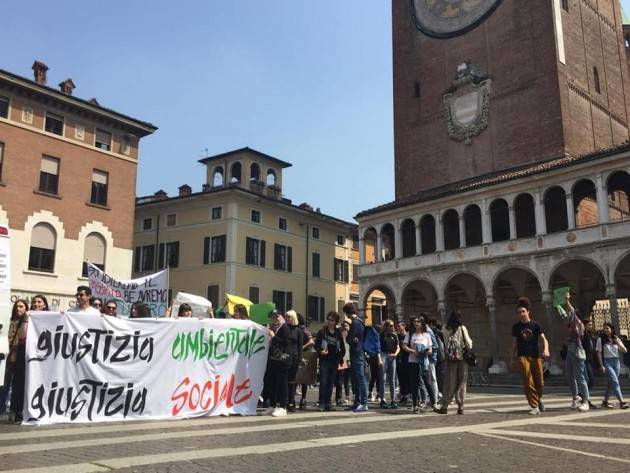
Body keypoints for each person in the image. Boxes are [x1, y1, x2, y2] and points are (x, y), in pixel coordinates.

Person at [510, 297, 550, 415]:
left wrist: (546, 349)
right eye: (519, 312)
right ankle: (534, 406)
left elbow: (544, 339)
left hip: (536, 356)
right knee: (528, 381)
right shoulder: (516, 327)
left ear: (528, 312)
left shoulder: (536, 325)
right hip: (522, 356)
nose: (521, 314)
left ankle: (538, 399)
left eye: (523, 311)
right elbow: (513, 343)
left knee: (540, 382)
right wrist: (512, 358)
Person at [556, 291, 590, 412]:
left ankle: (586, 401)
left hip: (577, 352)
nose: (569, 315)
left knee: (580, 377)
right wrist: (557, 304)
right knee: (569, 375)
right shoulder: (570, 323)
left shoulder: (578, 324)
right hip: (570, 352)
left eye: (571, 314)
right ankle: (576, 398)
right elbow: (564, 315)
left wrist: (567, 301)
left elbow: (572, 313)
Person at [437, 311, 473, 415]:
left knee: (449, 382)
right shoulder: (462, 328)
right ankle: (460, 406)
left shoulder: (445, 328)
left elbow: (443, 341)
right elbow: (469, 343)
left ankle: (445, 406)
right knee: (462, 382)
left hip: (450, 359)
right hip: (462, 359)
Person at [315, 311, 345, 411]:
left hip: (334, 361)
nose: (329, 322)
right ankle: (321, 403)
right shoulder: (322, 332)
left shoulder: (338, 333)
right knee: (323, 381)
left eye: (331, 320)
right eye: (328, 319)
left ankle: (328, 403)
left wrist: (339, 358)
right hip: (324, 360)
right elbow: (317, 345)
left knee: (331, 382)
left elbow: (343, 349)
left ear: (335, 321)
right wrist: (321, 352)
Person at [5, 300, 29, 424]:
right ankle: (14, 410)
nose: (18, 308)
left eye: (21, 306)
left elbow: (23, 334)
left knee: (21, 385)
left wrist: (25, 320)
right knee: (14, 385)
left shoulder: (29, 321)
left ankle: (19, 410)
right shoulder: (11, 322)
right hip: (13, 356)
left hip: (24, 356)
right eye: (17, 306)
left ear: (26, 308)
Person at [263, 310, 291, 417]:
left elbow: (285, 342)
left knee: (282, 384)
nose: (273, 320)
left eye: (274, 317)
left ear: (279, 317)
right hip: (275, 359)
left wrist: (273, 336)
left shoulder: (285, 328)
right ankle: (273, 405)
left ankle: (283, 407)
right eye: (272, 318)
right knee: (272, 383)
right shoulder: (277, 327)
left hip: (283, 359)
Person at [596, 322, 629, 409]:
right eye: (605, 328)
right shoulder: (601, 340)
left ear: (612, 329)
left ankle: (605, 401)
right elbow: (599, 353)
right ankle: (622, 402)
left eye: (607, 328)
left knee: (611, 383)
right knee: (615, 381)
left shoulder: (616, 338)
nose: (606, 330)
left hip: (616, 362)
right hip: (607, 362)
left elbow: (625, 350)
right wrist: (601, 365)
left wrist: (618, 343)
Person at [403, 317, 432, 413]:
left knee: (427, 382)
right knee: (414, 384)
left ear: (422, 323)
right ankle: (415, 405)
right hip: (413, 361)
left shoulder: (427, 335)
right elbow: (404, 346)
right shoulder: (410, 334)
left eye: (418, 321)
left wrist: (424, 351)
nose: (416, 323)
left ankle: (433, 402)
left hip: (424, 362)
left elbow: (430, 350)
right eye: (414, 321)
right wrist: (413, 351)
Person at [343, 302, 369, 412]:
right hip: (358, 352)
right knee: (356, 379)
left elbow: (349, 339)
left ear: (348, 312)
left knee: (360, 379)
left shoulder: (355, 323)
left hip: (357, 353)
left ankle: (364, 403)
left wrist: (350, 337)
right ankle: (357, 402)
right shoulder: (359, 322)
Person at [285, 310, 304, 412]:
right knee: (284, 380)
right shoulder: (284, 329)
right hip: (285, 357)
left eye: (289, 317)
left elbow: (300, 346)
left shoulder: (298, 331)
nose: (287, 319)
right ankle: (284, 401)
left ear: (293, 318)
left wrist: (300, 360)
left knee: (292, 381)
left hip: (295, 358)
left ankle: (291, 402)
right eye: (286, 317)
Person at [296, 313, 315, 410]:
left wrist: (302, 347)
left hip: (304, 354)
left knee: (301, 379)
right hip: (301, 354)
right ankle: (302, 399)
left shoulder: (303, 330)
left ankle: (302, 399)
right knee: (301, 379)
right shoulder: (301, 329)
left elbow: (311, 341)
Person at [379, 320, 400, 409]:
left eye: (392, 325)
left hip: (392, 356)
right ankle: (383, 400)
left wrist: (395, 354)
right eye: (390, 325)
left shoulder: (394, 335)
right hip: (384, 354)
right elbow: (378, 348)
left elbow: (398, 346)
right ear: (386, 326)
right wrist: (379, 359)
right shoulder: (381, 335)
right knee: (383, 379)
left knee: (392, 379)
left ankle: (393, 400)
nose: (392, 327)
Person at [364, 324, 383, 405]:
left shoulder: (369, 334)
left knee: (374, 376)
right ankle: (377, 393)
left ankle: (371, 392)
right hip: (377, 356)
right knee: (378, 376)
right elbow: (378, 347)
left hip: (371, 356)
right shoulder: (376, 335)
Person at [335, 319, 352, 406]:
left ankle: (348, 397)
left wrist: (349, 359)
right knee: (340, 380)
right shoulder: (340, 335)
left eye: (346, 326)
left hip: (348, 360)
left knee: (347, 380)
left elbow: (350, 349)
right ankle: (338, 398)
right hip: (341, 360)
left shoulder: (351, 336)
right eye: (343, 326)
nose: (345, 327)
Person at [396, 321, 410, 405]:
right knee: (401, 378)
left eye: (399, 326)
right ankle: (403, 395)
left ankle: (407, 395)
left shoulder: (407, 336)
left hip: (406, 359)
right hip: (399, 360)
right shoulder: (397, 336)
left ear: (404, 326)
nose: (398, 328)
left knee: (406, 378)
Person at [582, 318, 597, 397]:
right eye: (589, 325)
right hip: (583, 360)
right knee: (588, 380)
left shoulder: (590, 335)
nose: (591, 326)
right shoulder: (582, 335)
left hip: (589, 360)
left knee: (591, 381)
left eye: (591, 325)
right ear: (584, 326)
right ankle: (584, 398)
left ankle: (582, 396)